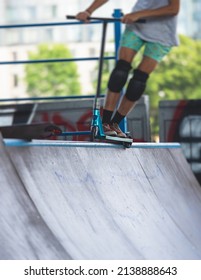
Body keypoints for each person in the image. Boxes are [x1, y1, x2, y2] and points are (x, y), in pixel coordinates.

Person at [76, 0, 180, 137]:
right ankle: (106, 123)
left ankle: (115, 123)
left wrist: (139, 14)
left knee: (139, 81)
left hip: (162, 33)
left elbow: (173, 9)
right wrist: (88, 11)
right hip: (137, 26)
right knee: (120, 71)